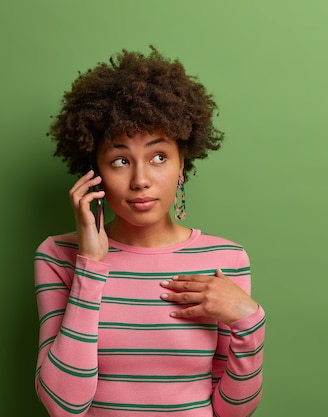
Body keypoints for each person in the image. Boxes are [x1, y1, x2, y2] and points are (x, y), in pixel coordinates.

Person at [34, 46, 265, 417]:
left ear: (181, 165)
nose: (141, 180)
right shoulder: (58, 256)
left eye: (158, 157)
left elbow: (232, 412)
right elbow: (64, 406)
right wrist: (91, 265)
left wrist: (249, 321)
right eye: (120, 160)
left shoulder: (226, 260)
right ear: (94, 171)